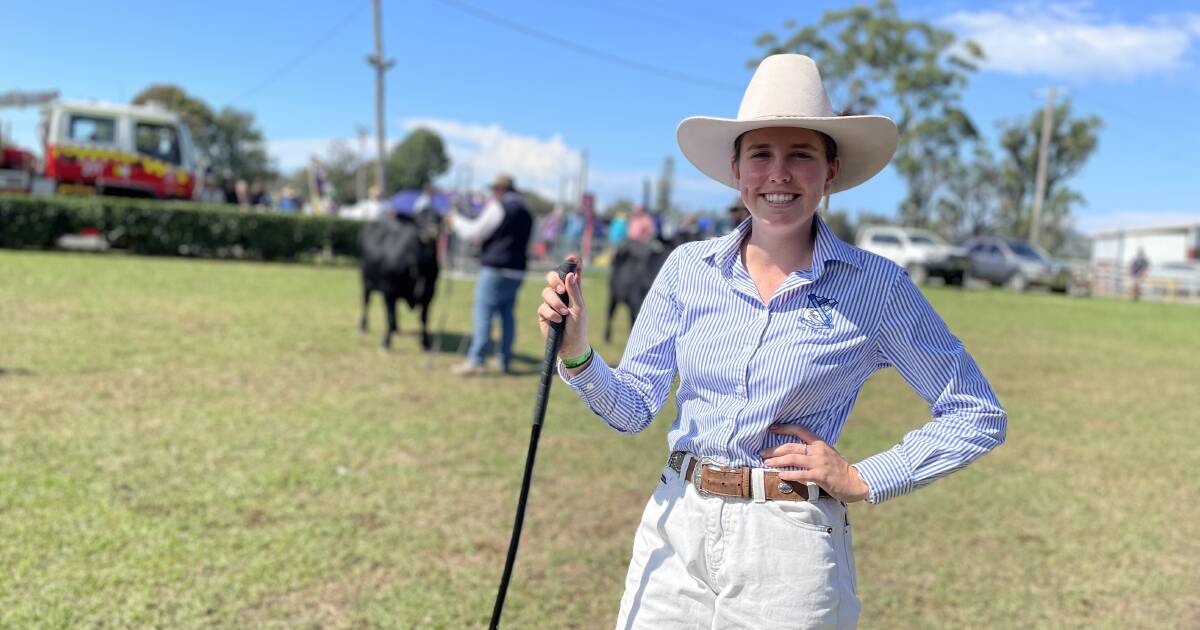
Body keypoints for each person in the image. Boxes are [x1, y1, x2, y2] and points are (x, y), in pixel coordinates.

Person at [536, 54, 1006, 628]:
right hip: (674, 524)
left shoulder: (878, 286)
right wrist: (579, 354)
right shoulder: (687, 268)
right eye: (760, 154)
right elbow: (634, 409)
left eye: (800, 155)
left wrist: (865, 477)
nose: (778, 173)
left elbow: (977, 413)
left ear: (830, 172)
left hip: (788, 547)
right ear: (737, 170)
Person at [448, 174, 533, 376]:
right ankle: (504, 359)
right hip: (517, 270)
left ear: (501, 189)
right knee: (507, 316)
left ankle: (476, 360)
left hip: (495, 267)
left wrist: (455, 221)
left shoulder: (498, 207)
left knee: (483, 313)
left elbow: (474, 232)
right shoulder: (526, 212)